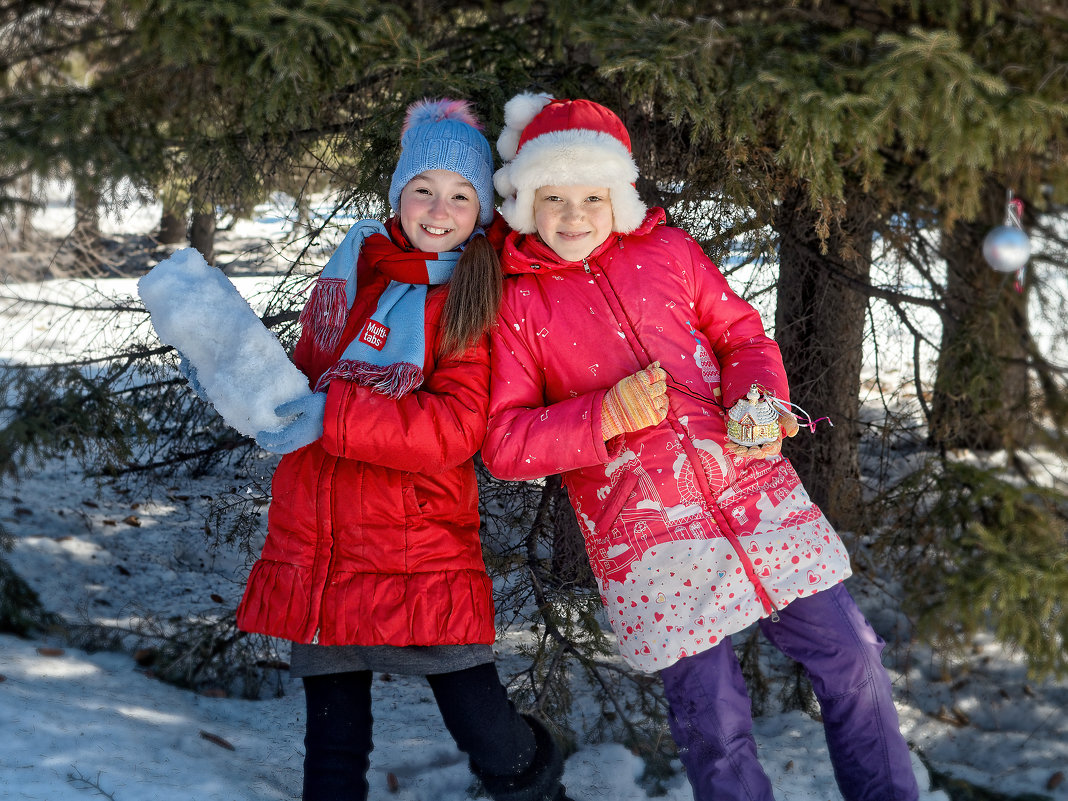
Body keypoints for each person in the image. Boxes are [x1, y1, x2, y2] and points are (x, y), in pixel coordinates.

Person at [482, 92, 920, 801]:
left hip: (751, 493)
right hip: (649, 537)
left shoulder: (669, 251)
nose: (572, 215)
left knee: (854, 659)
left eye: (591, 195)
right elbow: (503, 442)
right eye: (552, 196)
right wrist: (604, 414)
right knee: (713, 718)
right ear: (525, 202)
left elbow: (742, 337)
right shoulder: (516, 302)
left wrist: (759, 399)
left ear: (618, 196)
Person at [234, 98, 570, 801]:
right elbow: (309, 376)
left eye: (458, 194)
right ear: (398, 196)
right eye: (422, 189)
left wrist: (335, 414)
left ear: (479, 209)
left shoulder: (469, 300)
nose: (438, 208)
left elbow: (451, 429)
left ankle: (540, 785)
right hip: (323, 540)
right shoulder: (355, 271)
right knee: (331, 743)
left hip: (417, 547)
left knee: (487, 733)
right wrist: (261, 392)